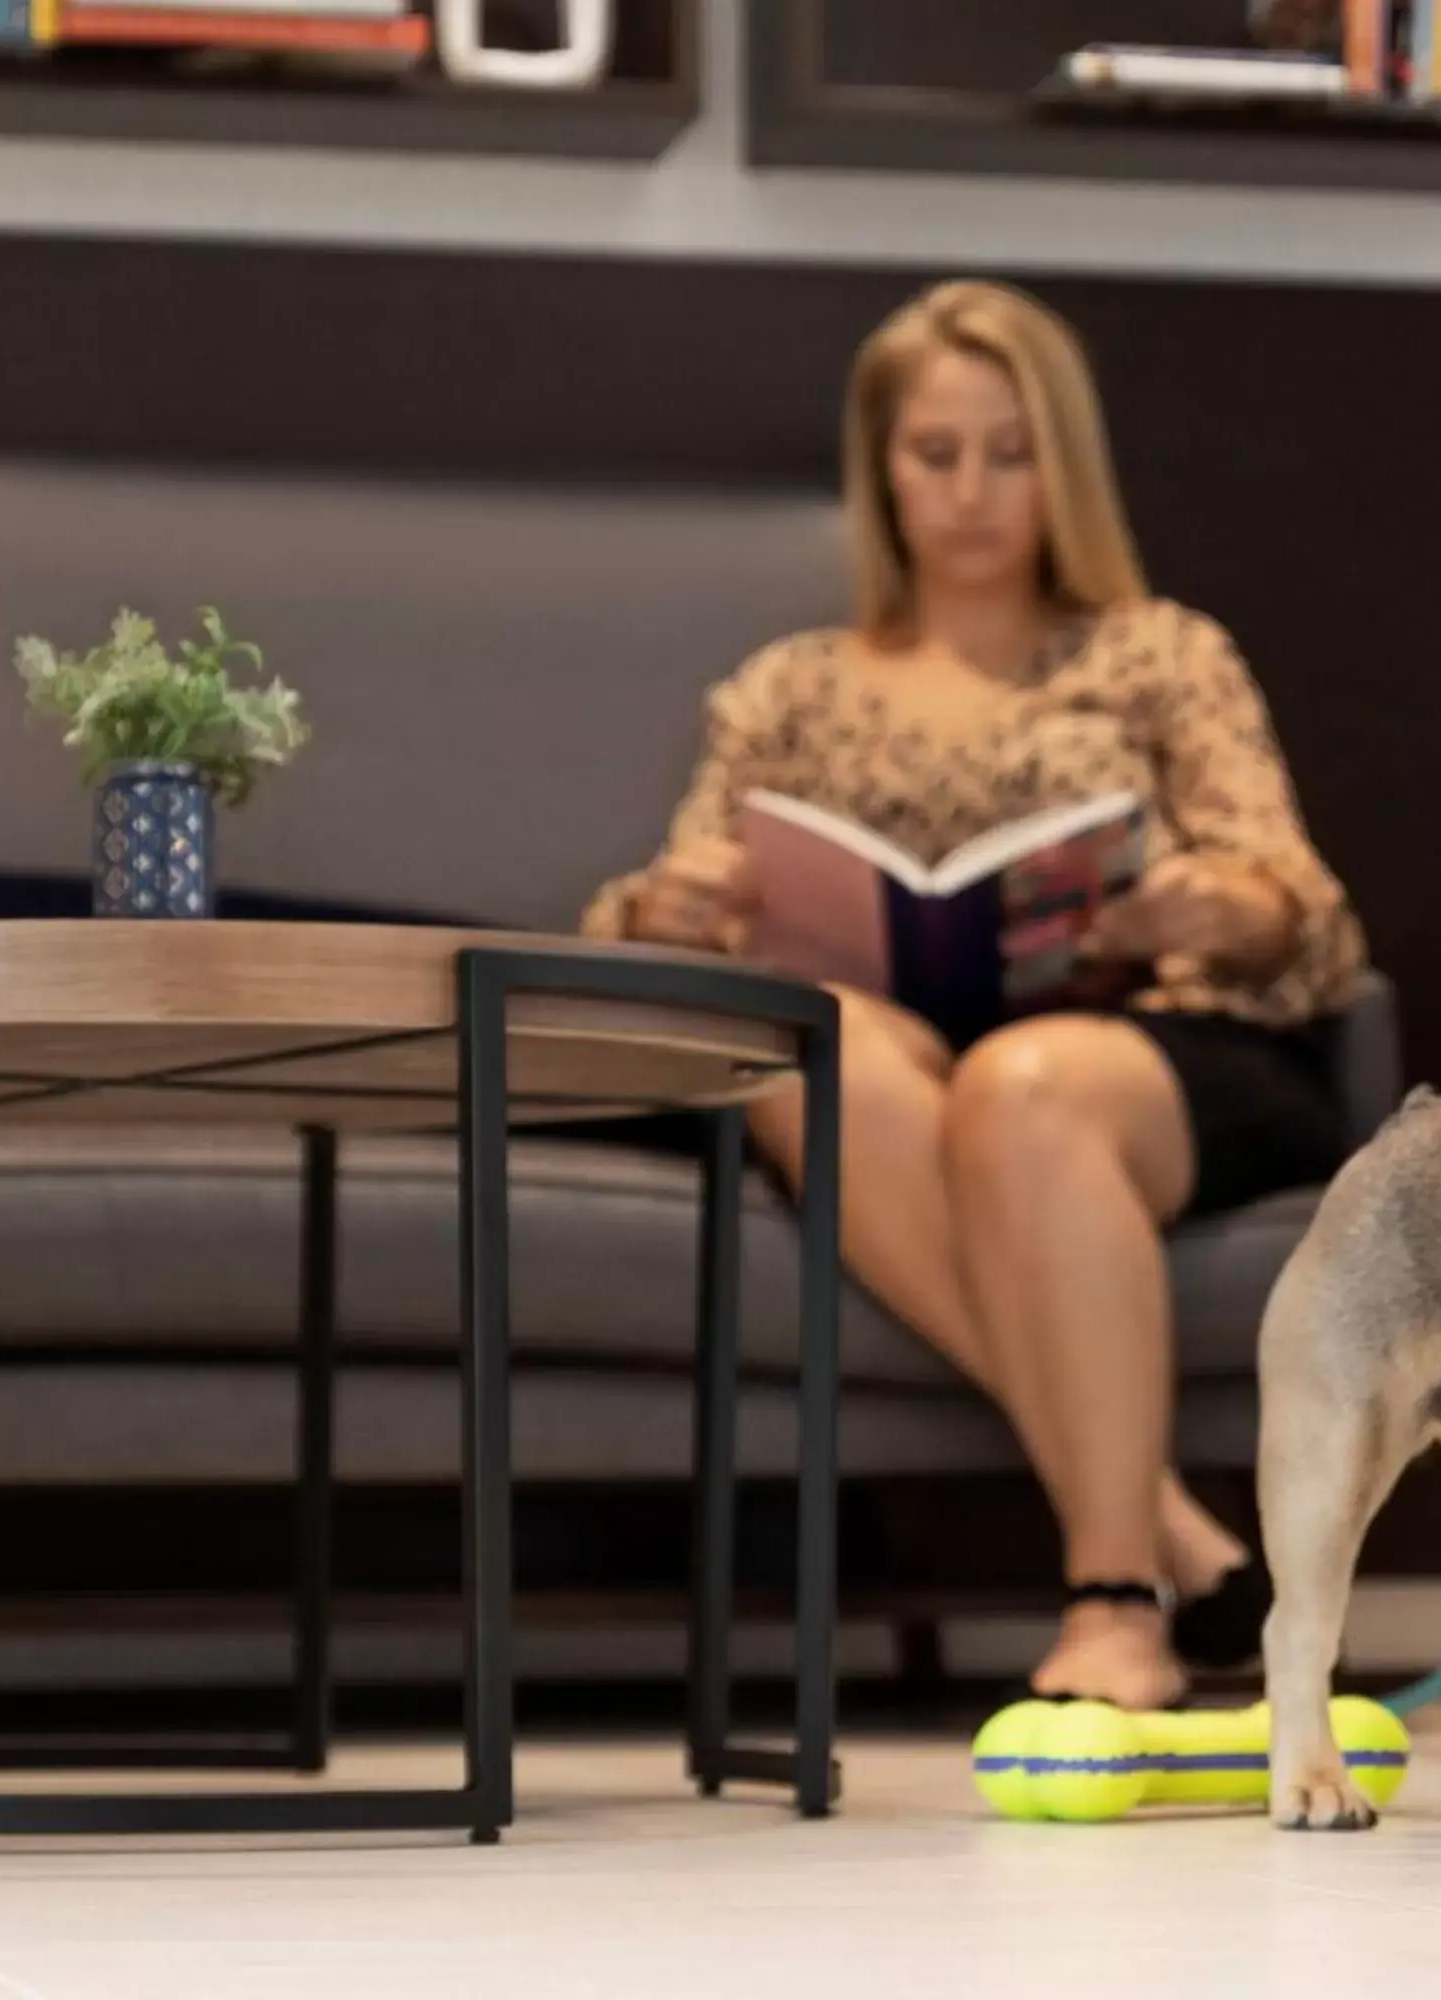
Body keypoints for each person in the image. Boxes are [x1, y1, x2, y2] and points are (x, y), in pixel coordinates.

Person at [582, 280, 1370, 1710]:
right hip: (893, 1073)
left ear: (1062, 461)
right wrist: (667, 906)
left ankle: (1112, 1597)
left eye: (1008, 453)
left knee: (1022, 1089)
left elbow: (1301, 911)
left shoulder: (1159, 653)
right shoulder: (791, 691)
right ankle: (1152, 1515)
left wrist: (1218, 901)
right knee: (798, 1044)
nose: (970, 492)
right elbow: (639, 932)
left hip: (1151, 1056)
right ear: (880, 469)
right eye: (934, 454)